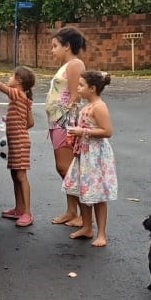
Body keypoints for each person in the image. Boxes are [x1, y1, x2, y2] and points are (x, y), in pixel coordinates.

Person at [63, 71, 117, 247]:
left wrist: (83, 132)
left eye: (81, 85)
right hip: (84, 155)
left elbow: (107, 131)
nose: (77, 88)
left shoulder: (99, 107)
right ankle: (87, 226)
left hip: (96, 157)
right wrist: (75, 135)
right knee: (83, 191)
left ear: (92, 89)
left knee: (98, 195)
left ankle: (102, 233)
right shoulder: (86, 106)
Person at [46, 27, 88, 227]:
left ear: (67, 46)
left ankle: (84, 215)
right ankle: (71, 210)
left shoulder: (75, 64)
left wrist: (71, 126)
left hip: (66, 123)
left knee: (68, 168)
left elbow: (76, 95)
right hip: (57, 122)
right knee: (62, 168)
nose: (52, 50)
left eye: (55, 46)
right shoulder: (65, 66)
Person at [0, 66, 36, 227]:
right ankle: (19, 209)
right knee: (15, 175)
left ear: (19, 81)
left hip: (20, 143)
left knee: (21, 176)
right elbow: (30, 123)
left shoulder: (16, 94)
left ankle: (27, 213)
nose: (9, 78)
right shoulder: (26, 99)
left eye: (11, 76)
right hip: (17, 141)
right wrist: (17, 127)